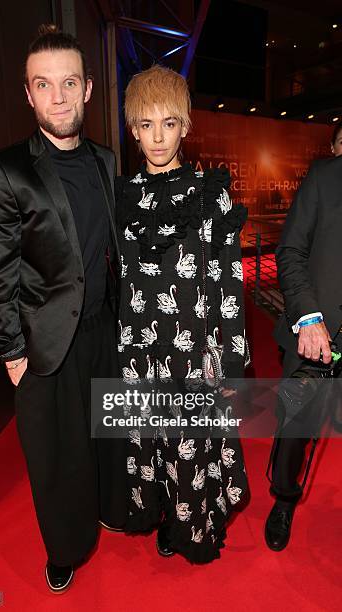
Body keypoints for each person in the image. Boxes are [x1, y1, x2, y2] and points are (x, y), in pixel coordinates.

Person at [0, 24, 125, 593]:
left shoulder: (108, 162)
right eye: (44, 84)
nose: (58, 97)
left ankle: (111, 509)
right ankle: (65, 547)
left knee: (107, 435)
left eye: (68, 83)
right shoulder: (5, 169)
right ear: (29, 93)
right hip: (43, 343)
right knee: (55, 457)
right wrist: (12, 350)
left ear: (87, 89)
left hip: (104, 331)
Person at [116, 65, 249, 564]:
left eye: (168, 123)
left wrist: (232, 356)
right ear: (132, 129)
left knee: (191, 444)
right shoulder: (122, 195)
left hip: (193, 350)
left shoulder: (210, 191)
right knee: (153, 439)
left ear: (186, 126)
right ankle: (165, 516)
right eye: (146, 124)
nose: (157, 136)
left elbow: (229, 281)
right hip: (142, 351)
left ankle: (194, 527)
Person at [265, 151, 342, 551]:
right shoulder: (325, 176)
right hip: (317, 335)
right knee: (296, 429)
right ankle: (284, 498)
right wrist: (309, 317)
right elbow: (290, 250)